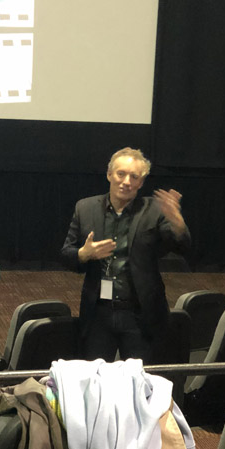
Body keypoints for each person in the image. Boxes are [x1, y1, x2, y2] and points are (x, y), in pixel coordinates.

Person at [60, 147, 190, 363]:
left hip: (140, 314)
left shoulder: (154, 210)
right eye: (121, 174)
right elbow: (66, 254)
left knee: (141, 382)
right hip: (98, 313)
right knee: (96, 381)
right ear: (109, 174)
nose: (126, 181)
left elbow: (181, 247)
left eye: (134, 177)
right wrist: (83, 254)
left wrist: (177, 223)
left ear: (141, 182)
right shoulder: (85, 208)